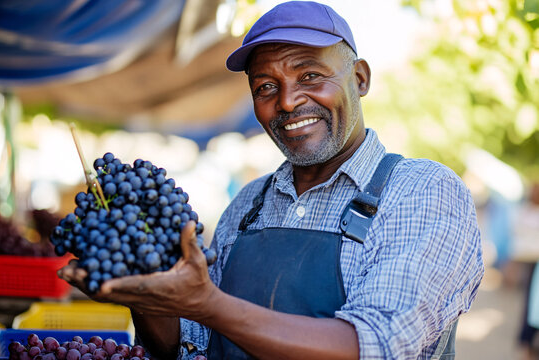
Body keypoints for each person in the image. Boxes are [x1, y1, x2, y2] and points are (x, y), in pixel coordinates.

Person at [58, 1, 484, 359]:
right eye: (265, 86)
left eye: (311, 76)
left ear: (359, 78)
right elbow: (190, 347)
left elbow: (376, 345)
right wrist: (148, 296)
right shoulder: (248, 204)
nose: (287, 101)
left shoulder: (422, 190)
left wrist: (208, 305)